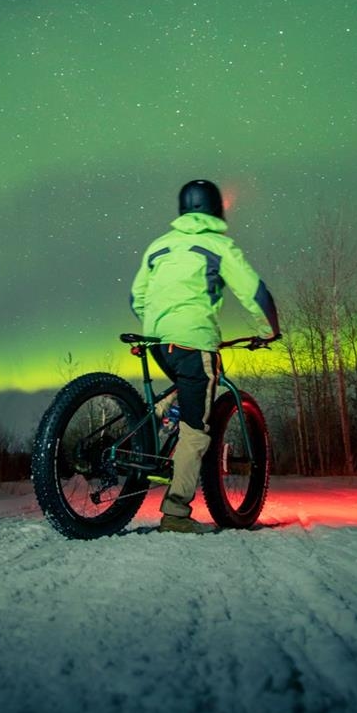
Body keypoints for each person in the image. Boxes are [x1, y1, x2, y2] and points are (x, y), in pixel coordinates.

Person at [130, 179, 280, 534]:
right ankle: (176, 513)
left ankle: (150, 425)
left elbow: (137, 298)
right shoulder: (218, 245)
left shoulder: (158, 245)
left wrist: (161, 324)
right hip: (194, 342)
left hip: (157, 341)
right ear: (216, 209)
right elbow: (255, 294)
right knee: (196, 431)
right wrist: (268, 331)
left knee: (184, 388)